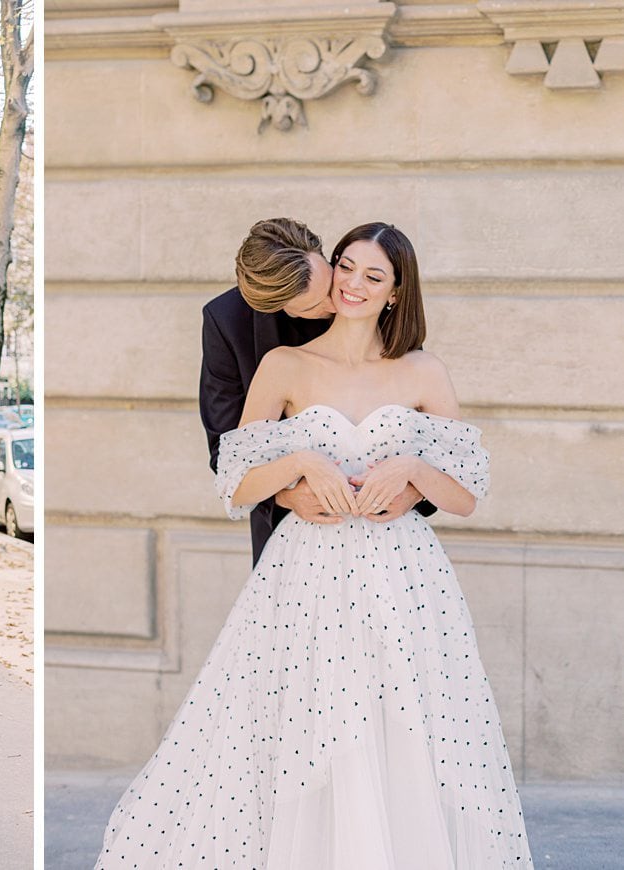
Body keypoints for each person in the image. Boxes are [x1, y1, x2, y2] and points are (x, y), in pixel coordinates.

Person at [97, 224, 532, 867]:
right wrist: (298, 464)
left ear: (395, 292)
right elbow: (236, 476)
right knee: (300, 728)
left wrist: (411, 469)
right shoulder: (279, 362)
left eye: (371, 276)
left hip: (403, 577)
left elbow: (467, 493)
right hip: (306, 571)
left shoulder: (423, 370)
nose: (351, 285)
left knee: (406, 728)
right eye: (347, 268)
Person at [200, 217, 432, 567]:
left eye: (330, 279)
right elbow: (227, 451)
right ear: (275, 306)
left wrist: (414, 492)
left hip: (386, 541)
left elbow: (423, 431)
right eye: (315, 305)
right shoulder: (227, 322)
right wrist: (286, 495)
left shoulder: (362, 292)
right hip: (292, 541)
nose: (337, 300)